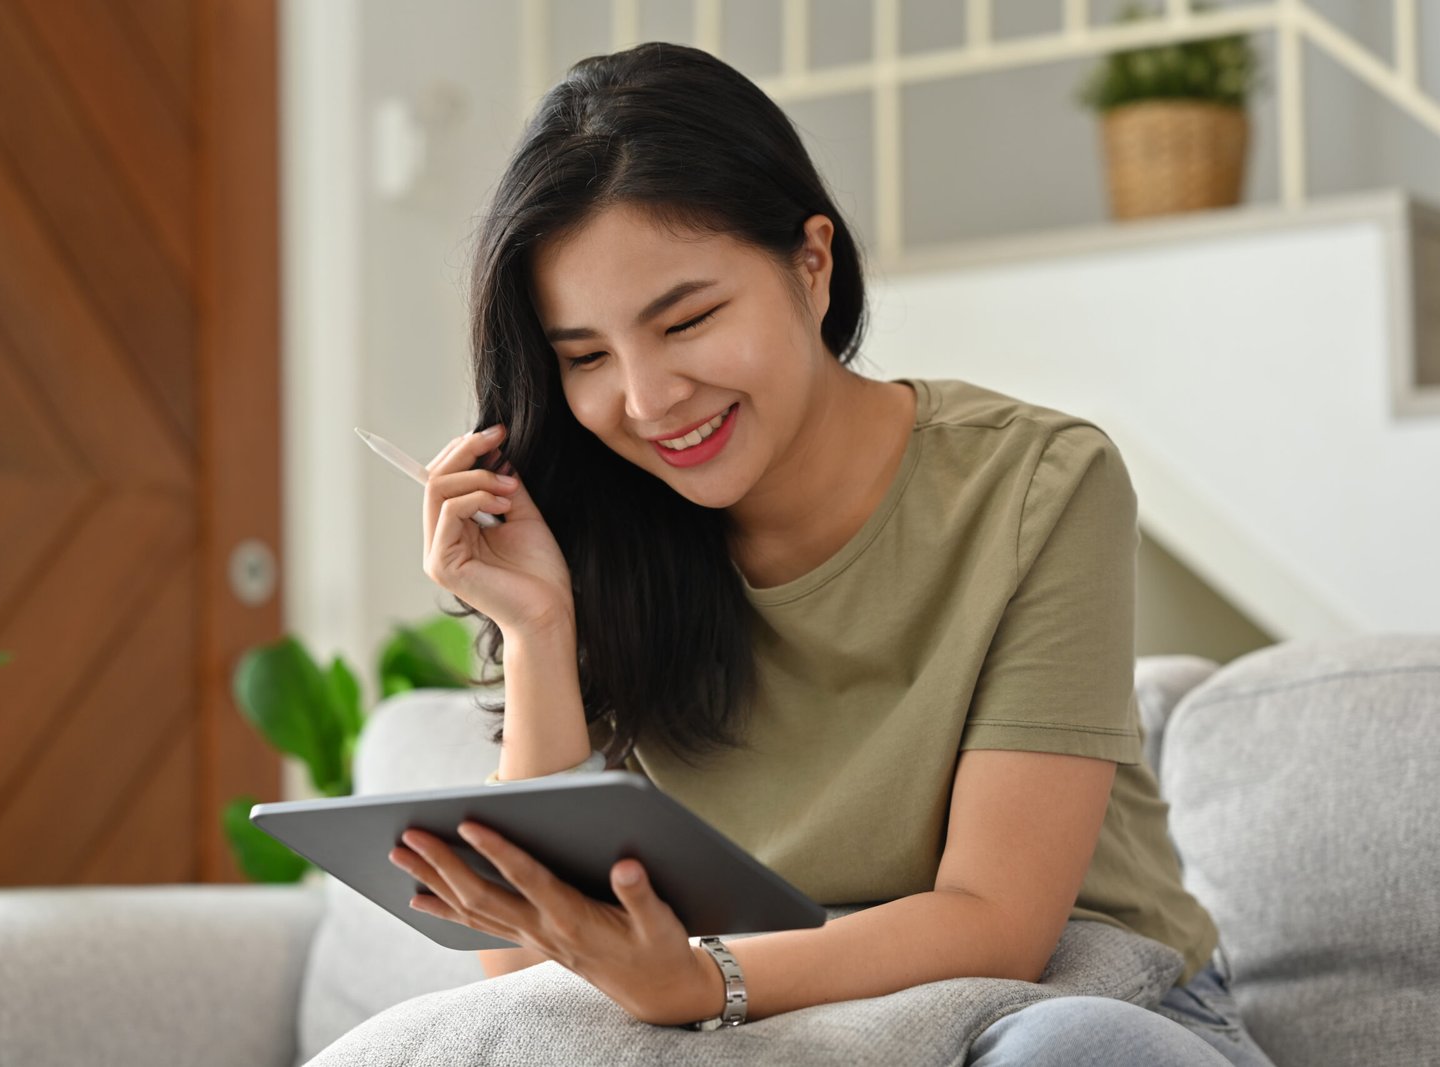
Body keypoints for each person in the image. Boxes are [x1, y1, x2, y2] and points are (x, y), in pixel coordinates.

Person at [387, 40, 1277, 1065]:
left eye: (687, 319)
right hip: (782, 1025)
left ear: (812, 264)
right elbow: (528, 976)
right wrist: (537, 624)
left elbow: (999, 918)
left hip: (1071, 996)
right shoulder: (596, 531)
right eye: (585, 356)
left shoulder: (1035, 482)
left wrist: (700, 978)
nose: (645, 399)